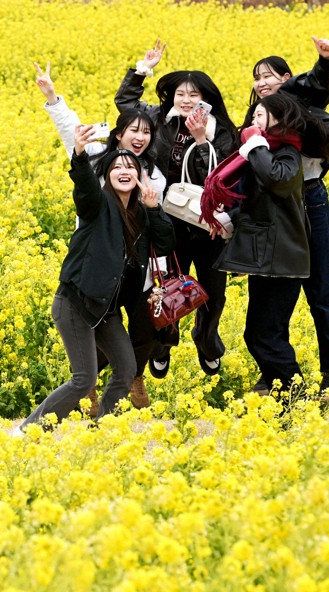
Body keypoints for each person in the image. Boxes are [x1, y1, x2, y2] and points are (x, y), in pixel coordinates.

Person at [14, 128, 175, 435]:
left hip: (106, 308)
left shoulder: (142, 213)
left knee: (127, 369)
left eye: (131, 167)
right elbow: (85, 188)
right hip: (76, 302)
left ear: (141, 176)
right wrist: (79, 155)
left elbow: (165, 243)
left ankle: (100, 429)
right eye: (117, 167)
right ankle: (31, 430)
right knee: (84, 379)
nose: (124, 171)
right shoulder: (97, 205)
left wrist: (156, 210)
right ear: (107, 175)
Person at [35, 62, 167, 410]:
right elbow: (74, 146)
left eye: (146, 133)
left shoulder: (151, 182)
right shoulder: (98, 173)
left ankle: (104, 416)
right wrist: (52, 97)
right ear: (118, 135)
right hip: (91, 276)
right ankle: (73, 403)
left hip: (125, 281)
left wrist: (155, 212)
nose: (139, 139)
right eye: (132, 132)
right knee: (86, 374)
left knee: (132, 351)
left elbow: (161, 236)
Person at [113, 40, 240, 380]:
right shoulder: (158, 118)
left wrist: (201, 140)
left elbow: (219, 174)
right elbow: (126, 105)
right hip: (167, 222)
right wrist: (143, 69)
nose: (186, 100)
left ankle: (207, 340)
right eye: (180, 94)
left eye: (193, 94)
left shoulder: (223, 131)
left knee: (213, 293)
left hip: (208, 223)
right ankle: (164, 344)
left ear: (206, 98)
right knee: (166, 289)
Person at [200, 93, 329, 397]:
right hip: (267, 258)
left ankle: (294, 396)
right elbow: (257, 200)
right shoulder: (263, 153)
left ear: (279, 119)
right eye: (254, 116)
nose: (253, 122)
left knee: (265, 336)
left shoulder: (287, 152)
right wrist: (229, 217)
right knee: (258, 335)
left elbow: (279, 180)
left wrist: (256, 146)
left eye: (261, 116)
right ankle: (288, 394)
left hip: (283, 260)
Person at [244, 36, 329, 401]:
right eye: (257, 77)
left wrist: (325, 60)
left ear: (287, 78)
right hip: (273, 208)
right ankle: (274, 373)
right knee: (272, 288)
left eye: (269, 75)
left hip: (309, 200)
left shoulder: (298, 102)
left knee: (320, 290)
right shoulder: (256, 116)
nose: (261, 83)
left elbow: (316, 84)